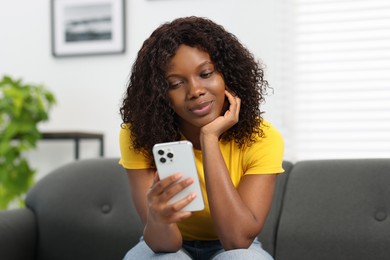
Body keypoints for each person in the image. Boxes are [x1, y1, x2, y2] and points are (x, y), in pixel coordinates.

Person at [119, 16, 284, 260]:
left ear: (227, 75)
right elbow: (164, 245)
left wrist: (209, 138)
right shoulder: (139, 134)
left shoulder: (262, 138)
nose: (195, 91)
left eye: (206, 73)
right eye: (175, 83)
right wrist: (158, 218)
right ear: (160, 94)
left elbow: (236, 240)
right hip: (167, 243)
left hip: (231, 244)